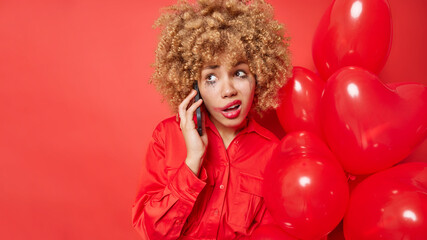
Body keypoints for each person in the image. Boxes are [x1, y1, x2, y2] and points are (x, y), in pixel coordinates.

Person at [132, 0, 292, 239]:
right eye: (211, 78)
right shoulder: (166, 137)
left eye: (239, 73)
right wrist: (192, 162)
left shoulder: (273, 153)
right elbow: (151, 232)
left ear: (257, 77)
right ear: (194, 86)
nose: (228, 91)